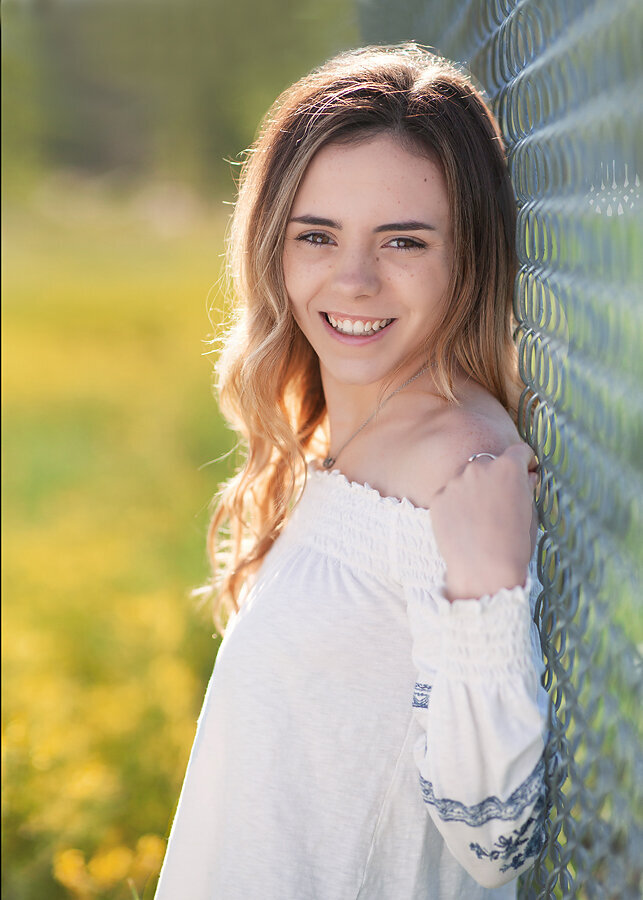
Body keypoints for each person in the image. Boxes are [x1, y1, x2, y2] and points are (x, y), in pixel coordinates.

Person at [154, 44, 550, 900]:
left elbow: (495, 837)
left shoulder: (457, 464)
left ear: (469, 255)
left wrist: (483, 587)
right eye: (318, 235)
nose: (354, 279)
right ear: (273, 245)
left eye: (403, 240)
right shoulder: (349, 437)